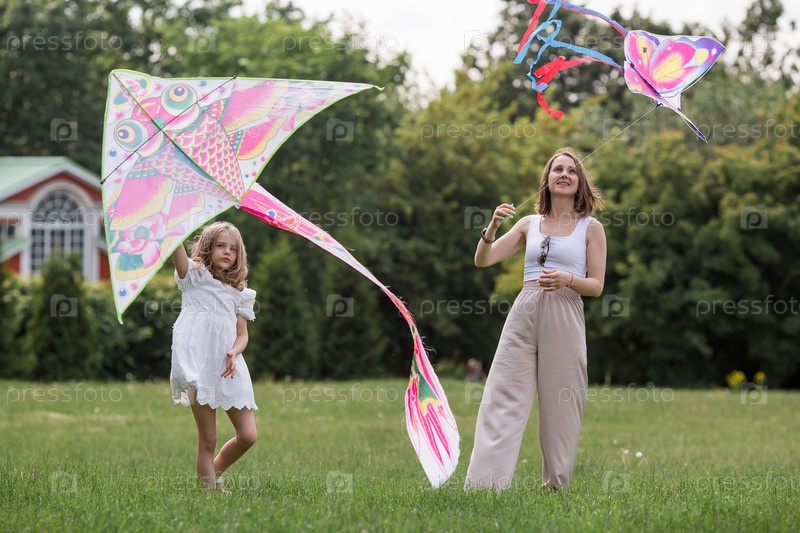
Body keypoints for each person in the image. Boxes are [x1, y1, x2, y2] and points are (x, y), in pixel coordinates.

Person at [464, 147, 607, 491]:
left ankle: (555, 486)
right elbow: (483, 260)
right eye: (557, 169)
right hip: (525, 310)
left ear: (579, 182)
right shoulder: (529, 223)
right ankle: (484, 486)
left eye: (571, 171)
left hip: (565, 310)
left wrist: (568, 279)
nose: (564, 175)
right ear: (547, 178)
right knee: (501, 394)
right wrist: (492, 226)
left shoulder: (591, 228)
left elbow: (597, 286)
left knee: (561, 404)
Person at [170, 221, 258, 493]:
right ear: (208, 247)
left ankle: (214, 473)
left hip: (228, 367)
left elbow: (242, 335)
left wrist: (234, 350)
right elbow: (175, 248)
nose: (227, 252)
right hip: (197, 368)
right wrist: (172, 224)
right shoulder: (193, 277)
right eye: (221, 245)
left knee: (248, 435)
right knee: (208, 438)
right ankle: (208, 494)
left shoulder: (240, 292)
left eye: (233, 248)